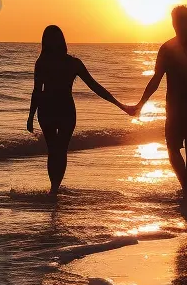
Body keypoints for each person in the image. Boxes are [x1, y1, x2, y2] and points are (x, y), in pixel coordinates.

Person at [128, 4, 187, 196]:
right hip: (175, 108)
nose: (179, 25)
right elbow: (156, 80)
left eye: (183, 21)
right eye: (176, 21)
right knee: (173, 150)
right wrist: (141, 104)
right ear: (172, 23)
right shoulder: (167, 49)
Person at [27, 24, 131, 195]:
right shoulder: (43, 63)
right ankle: (54, 188)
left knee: (60, 149)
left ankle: (54, 189)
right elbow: (36, 90)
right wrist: (30, 116)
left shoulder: (72, 63)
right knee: (54, 150)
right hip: (47, 109)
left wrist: (120, 105)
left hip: (65, 110)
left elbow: (94, 86)